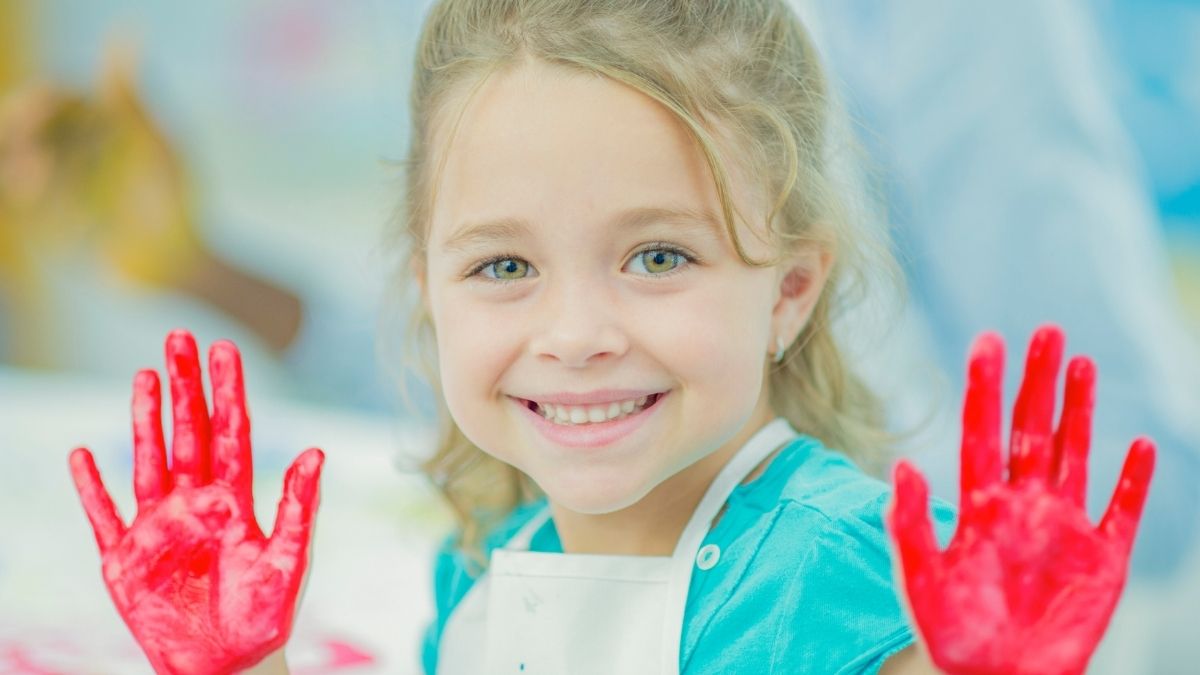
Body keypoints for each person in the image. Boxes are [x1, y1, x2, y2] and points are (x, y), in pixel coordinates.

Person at [67, 1, 1155, 673]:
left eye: (658, 258)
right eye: (503, 268)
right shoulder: (485, 574)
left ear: (790, 290)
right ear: (429, 294)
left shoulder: (845, 569)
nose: (577, 334)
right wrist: (236, 664)